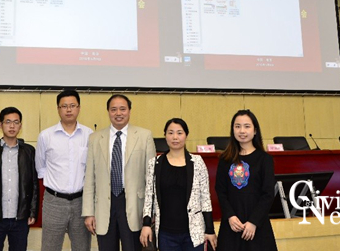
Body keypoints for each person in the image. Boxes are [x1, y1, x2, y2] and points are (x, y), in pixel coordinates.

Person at [82, 94, 156, 251]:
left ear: (129, 110)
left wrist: (150, 212)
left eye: (123, 109)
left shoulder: (144, 136)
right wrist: (88, 213)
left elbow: (151, 179)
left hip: (134, 206)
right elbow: (89, 178)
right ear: (108, 112)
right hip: (104, 206)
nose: (118, 113)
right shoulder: (95, 138)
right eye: (113, 109)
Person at [140, 118, 217, 251]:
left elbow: (205, 198)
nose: (175, 137)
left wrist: (210, 229)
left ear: (186, 135)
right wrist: (146, 224)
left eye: (179, 133)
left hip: (193, 233)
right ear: (165, 135)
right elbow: (149, 197)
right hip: (166, 233)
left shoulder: (197, 162)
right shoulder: (155, 163)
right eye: (170, 133)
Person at [35, 89, 93, 251]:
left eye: (72, 106)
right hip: (54, 202)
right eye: (64, 106)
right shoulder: (46, 136)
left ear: (79, 108)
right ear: (58, 109)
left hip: (81, 202)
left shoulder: (89, 135)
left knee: (82, 247)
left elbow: (91, 169)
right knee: (50, 247)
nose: (68, 110)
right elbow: (41, 167)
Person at [0, 106, 39, 251]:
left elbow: (34, 184)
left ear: (20, 126)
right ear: (0, 125)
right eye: (8, 122)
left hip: (20, 218)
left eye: (16, 122)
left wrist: (32, 211)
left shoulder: (29, 152)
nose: (12, 126)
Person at [215, 110, 278, 251]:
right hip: (232, 225)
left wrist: (253, 221)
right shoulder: (225, 159)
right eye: (237, 126)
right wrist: (230, 216)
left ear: (255, 130)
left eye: (247, 126)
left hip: (257, 226)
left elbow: (268, 194)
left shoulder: (265, 159)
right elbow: (220, 190)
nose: (242, 131)